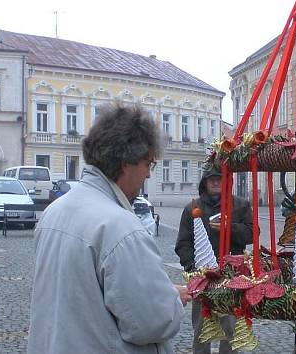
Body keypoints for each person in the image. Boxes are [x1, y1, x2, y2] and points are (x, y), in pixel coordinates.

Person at [28, 103, 190, 354]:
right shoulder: (121, 227)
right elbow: (152, 323)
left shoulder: (55, 210)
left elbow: (86, 293)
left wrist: (162, 292)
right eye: (149, 163)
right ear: (127, 162)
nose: (148, 174)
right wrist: (171, 302)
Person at [175, 168, 254, 354]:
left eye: (219, 179)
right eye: (212, 180)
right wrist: (194, 269)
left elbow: (252, 234)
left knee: (231, 330)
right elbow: (183, 244)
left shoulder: (240, 205)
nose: (216, 183)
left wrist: (230, 228)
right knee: (202, 332)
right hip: (203, 280)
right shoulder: (192, 208)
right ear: (205, 182)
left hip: (232, 278)